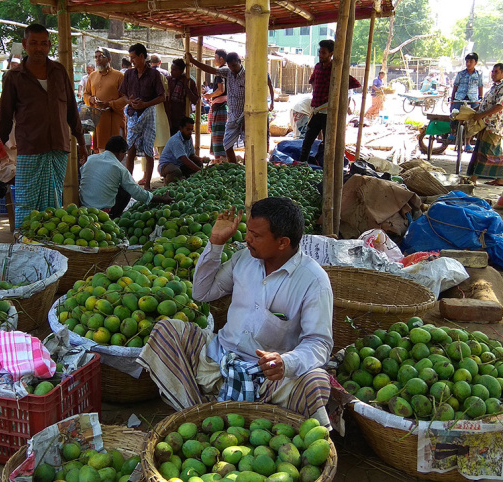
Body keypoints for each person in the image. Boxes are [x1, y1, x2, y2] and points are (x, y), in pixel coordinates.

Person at [137, 198, 334, 424]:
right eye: (248, 231)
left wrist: (286, 362)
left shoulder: (313, 281)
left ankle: (220, 413)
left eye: (256, 235)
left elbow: (319, 342)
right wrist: (216, 243)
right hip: (217, 361)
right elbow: (202, 292)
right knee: (167, 331)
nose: (247, 239)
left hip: (269, 380)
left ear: (282, 242)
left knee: (316, 382)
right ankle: (198, 413)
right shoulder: (243, 258)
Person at [0, 23, 88, 229]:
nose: (39, 48)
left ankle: (47, 243)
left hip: (58, 148)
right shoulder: (14, 77)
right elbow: (4, 118)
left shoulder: (59, 71)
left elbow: (71, 110)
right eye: (34, 43)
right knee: (26, 202)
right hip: (30, 147)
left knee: (53, 203)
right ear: (25, 44)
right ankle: (24, 241)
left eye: (43, 44)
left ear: (49, 45)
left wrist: (81, 142)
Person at [187, 52, 274, 164]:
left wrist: (270, 103)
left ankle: (246, 167)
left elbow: (261, 89)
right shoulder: (228, 72)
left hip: (245, 115)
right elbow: (211, 70)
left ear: (239, 62)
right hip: (232, 115)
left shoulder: (249, 75)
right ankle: (234, 166)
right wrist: (193, 61)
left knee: (248, 145)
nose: (232, 68)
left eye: (234, 65)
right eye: (230, 66)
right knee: (227, 144)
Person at [299, 40, 360, 165]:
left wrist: (334, 94)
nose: (320, 55)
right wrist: (316, 91)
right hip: (317, 111)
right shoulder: (317, 66)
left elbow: (354, 83)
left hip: (329, 113)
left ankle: (326, 166)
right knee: (307, 140)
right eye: (319, 52)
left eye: (323, 53)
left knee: (328, 143)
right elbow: (312, 80)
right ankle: (301, 164)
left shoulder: (336, 69)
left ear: (331, 54)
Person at [79, 135, 173, 218]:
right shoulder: (119, 168)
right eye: (124, 154)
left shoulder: (90, 159)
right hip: (102, 212)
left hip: (83, 207)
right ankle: (114, 216)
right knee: (126, 189)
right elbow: (137, 192)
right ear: (120, 152)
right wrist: (162, 199)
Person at [118, 43, 166, 190]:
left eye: (133, 57)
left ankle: (147, 185)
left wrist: (145, 104)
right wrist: (130, 101)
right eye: (130, 57)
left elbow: (162, 96)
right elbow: (123, 94)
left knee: (148, 149)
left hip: (148, 114)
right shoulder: (129, 74)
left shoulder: (154, 74)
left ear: (141, 56)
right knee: (130, 148)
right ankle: (128, 184)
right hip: (133, 114)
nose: (131, 60)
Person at [467, 63, 503, 186]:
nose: (493, 74)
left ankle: (474, 178)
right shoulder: (493, 88)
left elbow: (499, 107)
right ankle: (500, 178)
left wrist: (481, 115)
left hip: (495, 125)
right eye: (492, 71)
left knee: (486, 150)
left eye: (496, 72)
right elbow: (485, 104)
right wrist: (472, 112)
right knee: (493, 150)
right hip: (485, 123)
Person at [83, 47, 127, 154]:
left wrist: (109, 104)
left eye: (101, 57)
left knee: (115, 152)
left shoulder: (119, 76)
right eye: (96, 57)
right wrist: (91, 99)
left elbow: (125, 98)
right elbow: (86, 94)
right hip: (98, 121)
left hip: (113, 120)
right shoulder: (92, 76)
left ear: (109, 59)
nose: (97, 59)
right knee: (100, 152)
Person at [159, 116, 210, 184]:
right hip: (167, 165)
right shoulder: (176, 141)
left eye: (191, 130)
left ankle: (186, 181)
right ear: (181, 129)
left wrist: (201, 159)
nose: (190, 132)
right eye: (188, 129)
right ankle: (167, 182)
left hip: (180, 165)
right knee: (176, 171)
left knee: (199, 163)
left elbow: (191, 155)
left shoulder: (188, 138)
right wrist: (200, 170)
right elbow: (184, 159)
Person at [451, 53, 483, 152]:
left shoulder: (478, 75)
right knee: (454, 113)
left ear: (475, 63)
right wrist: (452, 99)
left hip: (473, 99)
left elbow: (480, 86)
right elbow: (455, 86)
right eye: (467, 61)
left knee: (473, 119)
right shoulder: (460, 74)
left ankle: (468, 143)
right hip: (459, 98)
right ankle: (453, 132)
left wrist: (480, 98)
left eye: (471, 61)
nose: (468, 63)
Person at [203, 49, 229, 163]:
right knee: (222, 134)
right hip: (224, 106)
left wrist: (210, 95)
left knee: (219, 135)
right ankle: (222, 159)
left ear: (221, 59)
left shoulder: (221, 71)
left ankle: (220, 161)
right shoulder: (228, 70)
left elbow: (221, 89)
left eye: (215, 57)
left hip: (220, 106)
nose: (214, 60)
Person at [166, 59, 200, 135]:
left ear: (181, 71)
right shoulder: (168, 80)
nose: (171, 72)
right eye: (171, 69)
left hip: (181, 118)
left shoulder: (189, 82)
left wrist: (186, 87)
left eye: (174, 70)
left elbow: (195, 100)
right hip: (168, 117)